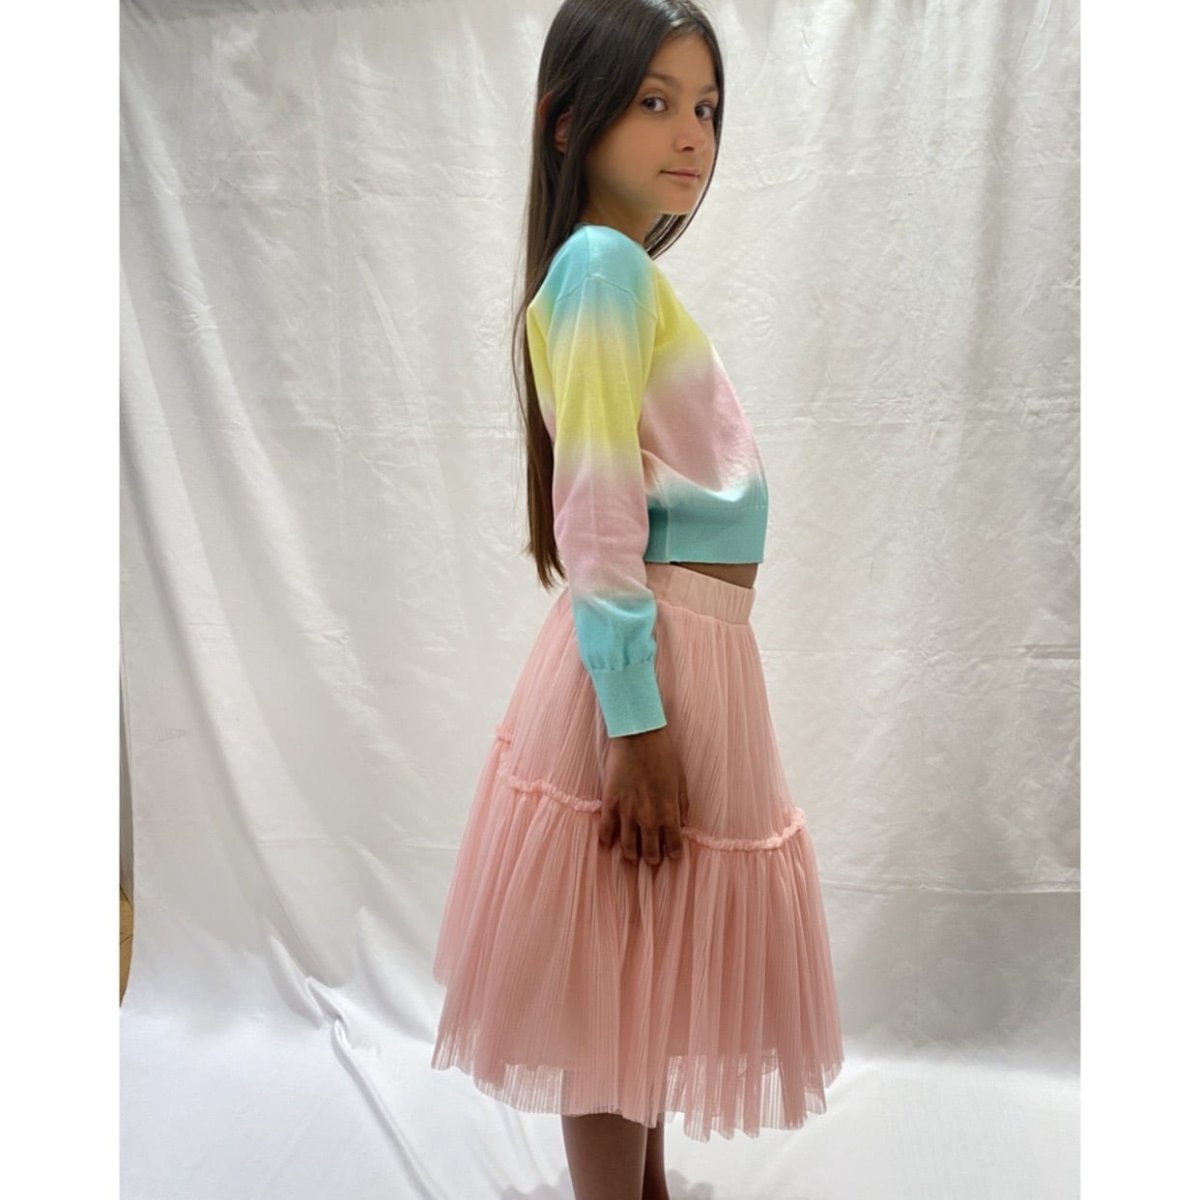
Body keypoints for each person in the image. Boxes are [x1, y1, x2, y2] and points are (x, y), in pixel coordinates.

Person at [430, 2, 844, 1196]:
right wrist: (637, 722)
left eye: (705, 106)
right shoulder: (604, 268)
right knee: (614, 980)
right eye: (655, 101)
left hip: (686, 655)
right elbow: (598, 503)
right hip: (650, 663)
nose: (691, 132)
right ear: (570, 123)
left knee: (640, 965)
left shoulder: (617, 275)